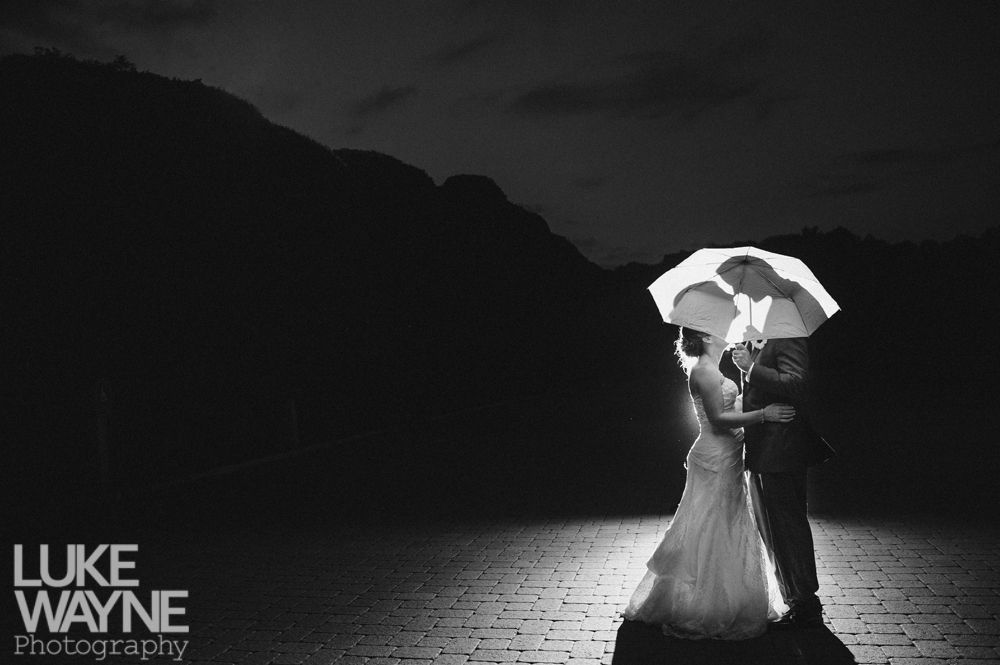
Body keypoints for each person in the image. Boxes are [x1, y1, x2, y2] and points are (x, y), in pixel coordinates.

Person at [622, 327, 792, 639]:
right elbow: (718, 418)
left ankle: (726, 598)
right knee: (710, 525)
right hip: (715, 458)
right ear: (708, 338)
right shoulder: (704, 370)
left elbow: (729, 407)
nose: (729, 333)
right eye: (721, 330)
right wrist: (764, 414)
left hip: (724, 455)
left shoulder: (711, 369)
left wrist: (749, 382)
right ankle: (707, 605)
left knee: (725, 523)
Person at [732, 337, 823, 627]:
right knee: (771, 528)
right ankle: (793, 598)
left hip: (783, 449)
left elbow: (797, 384)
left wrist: (751, 368)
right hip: (762, 449)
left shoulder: (788, 335)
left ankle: (806, 602)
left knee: (788, 526)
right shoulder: (751, 339)